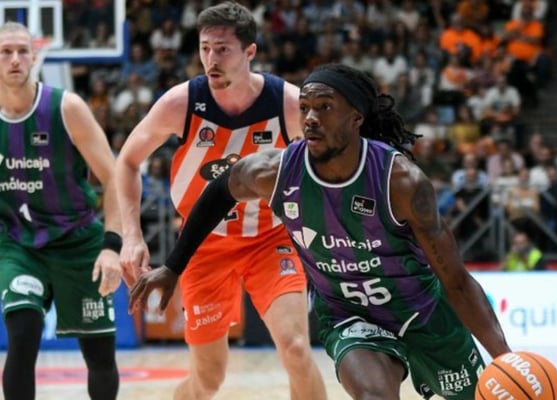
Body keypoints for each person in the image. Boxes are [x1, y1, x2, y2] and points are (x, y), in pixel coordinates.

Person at [129, 63, 511, 399]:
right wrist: (173, 266)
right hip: (349, 315)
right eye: (305, 107)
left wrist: (506, 361)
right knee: (374, 395)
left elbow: (457, 282)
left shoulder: (401, 182)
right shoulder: (276, 172)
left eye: (324, 107)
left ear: (356, 118)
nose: (310, 118)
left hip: (420, 310)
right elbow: (219, 191)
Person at [115, 3, 326, 400]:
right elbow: (127, 161)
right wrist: (131, 235)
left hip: (270, 238)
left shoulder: (289, 103)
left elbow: (335, 160)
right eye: (205, 48)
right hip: (202, 245)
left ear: (250, 52)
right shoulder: (181, 103)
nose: (211, 59)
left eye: (223, 49)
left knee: (297, 349)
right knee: (208, 380)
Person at [0, 22, 122, 400]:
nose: (15, 59)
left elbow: (114, 177)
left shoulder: (66, 107)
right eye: (5, 52)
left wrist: (112, 247)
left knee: (99, 357)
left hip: (78, 242)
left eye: (22, 51)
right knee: (23, 335)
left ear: (35, 56)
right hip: (19, 244)